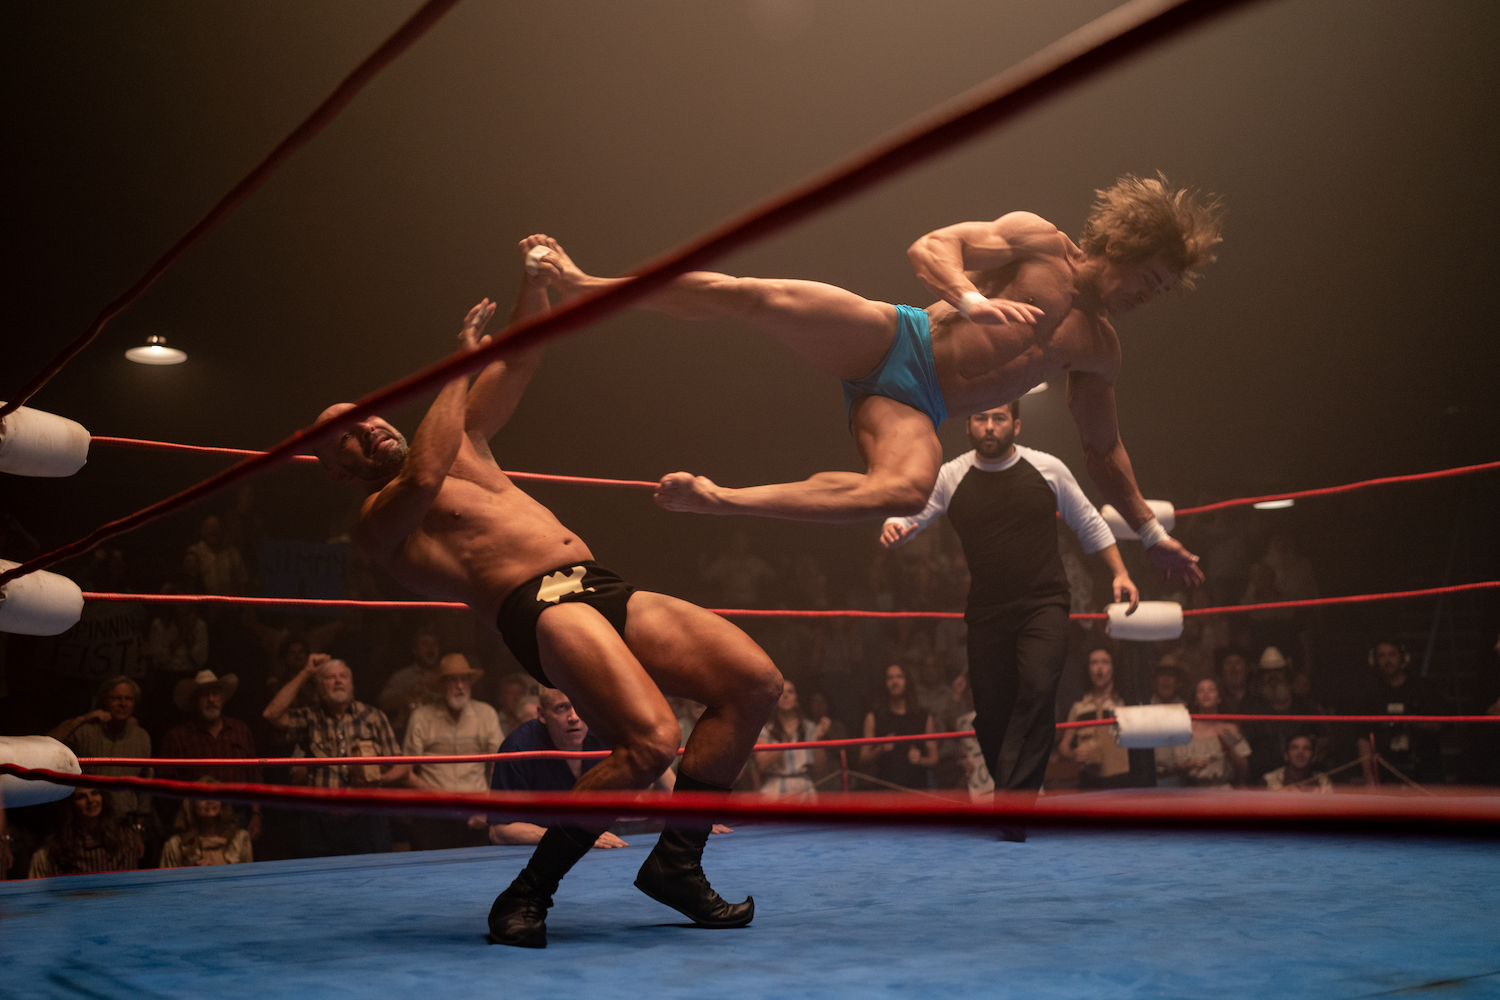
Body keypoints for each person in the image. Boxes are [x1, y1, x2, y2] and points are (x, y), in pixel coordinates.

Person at [312, 238, 782, 948]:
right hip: (539, 610)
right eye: (346, 437)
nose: (366, 427)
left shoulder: (462, 433)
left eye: (368, 413)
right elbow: (423, 475)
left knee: (754, 683)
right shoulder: (380, 520)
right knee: (650, 742)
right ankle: (526, 894)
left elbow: (525, 354)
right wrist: (459, 363)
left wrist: (534, 280)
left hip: (600, 584)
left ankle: (678, 864)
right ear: (341, 473)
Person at [527, 175, 1218, 589]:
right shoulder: (1039, 241)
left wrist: (1151, 536)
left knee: (904, 491)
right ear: (1120, 247)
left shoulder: (1101, 350)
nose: (1148, 296)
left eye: (1161, 291)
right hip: (900, 335)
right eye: (1149, 279)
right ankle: (587, 284)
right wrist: (971, 299)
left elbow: (1104, 451)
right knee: (756, 296)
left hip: (916, 404)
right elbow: (931, 247)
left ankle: (721, 500)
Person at [879, 401, 1139, 834]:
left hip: (1045, 603)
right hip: (987, 611)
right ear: (969, 425)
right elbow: (913, 512)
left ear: (1015, 424)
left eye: (999, 418)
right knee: (991, 713)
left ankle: (1011, 808)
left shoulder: (1047, 468)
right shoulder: (951, 475)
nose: (989, 426)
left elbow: (1089, 521)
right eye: (980, 418)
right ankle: (1015, 796)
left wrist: (1121, 572)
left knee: (1037, 689)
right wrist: (895, 524)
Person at [263, 654, 410, 856]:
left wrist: (377, 780)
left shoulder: (373, 717)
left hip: (366, 817)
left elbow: (402, 766)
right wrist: (306, 673)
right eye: (330, 677)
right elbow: (272, 714)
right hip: (321, 819)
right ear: (320, 686)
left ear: (351, 683)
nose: (338, 681)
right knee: (321, 883)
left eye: (343, 676)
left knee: (374, 881)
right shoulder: (311, 717)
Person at [487, 686, 663, 849]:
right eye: (561, 708)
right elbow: (500, 830)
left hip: (604, 851)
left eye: (580, 706)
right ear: (542, 714)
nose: (574, 717)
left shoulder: (605, 733)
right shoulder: (519, 747)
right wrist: (570, 836)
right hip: (537, 857)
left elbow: (656, 753)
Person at [404, 653, 504, 851]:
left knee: (481, 873)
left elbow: (499, 766)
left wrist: (488, 803)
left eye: (464, 679)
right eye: (453, 680)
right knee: (429, 874)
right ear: (441, 685)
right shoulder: (422, 718)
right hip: (434, 814)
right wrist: (441, 798)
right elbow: (406, 773)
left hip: (477, 812)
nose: (460, 686)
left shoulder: (486, 714)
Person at [158, 669, 262, 838]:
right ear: (194, 701)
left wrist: (256, 815)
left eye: (216, 693)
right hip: (196, 822)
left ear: (223, 698)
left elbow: (254, 775)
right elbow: (165, 786)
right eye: (204, 695)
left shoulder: (240, 730)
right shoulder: (178, 737)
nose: (211, 699)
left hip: (238, 817)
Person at [46, 676, 154, 829]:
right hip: (85, 823)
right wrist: (82, 719)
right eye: (116, 698)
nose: (123, 704)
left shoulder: (141, 737)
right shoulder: (86, 731)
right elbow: (46, 744)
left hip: (124, 823)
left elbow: (146, 781)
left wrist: (138, 825)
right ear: (105, 701)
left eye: (128, 699)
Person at [27, 787, 143, 878]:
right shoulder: (59, 845)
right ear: (71, 804)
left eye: (95, 793)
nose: (91, 800)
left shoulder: (125, 838)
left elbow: (128, 886)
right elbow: (60, 892)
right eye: (82, 796)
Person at [1058, 646, 1131, 790]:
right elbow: (1063, 746)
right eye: (1094, 662)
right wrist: (1074, 755)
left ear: (1113, 668)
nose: (1099, 668)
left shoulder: (1124, 704)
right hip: (1089, 780)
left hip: (1121, 779)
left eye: (1105, 662)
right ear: (1088, 669)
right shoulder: (1079, 708)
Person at [1156, 678, 1250, 788]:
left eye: (1211, 690)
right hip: (1191, 793)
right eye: (1201, 691)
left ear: (1219, 698)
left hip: (1222, 792)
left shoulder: (1229, 728)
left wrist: (1229, 745)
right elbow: (1170, 765)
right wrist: (1191, 764)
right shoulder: (1185, 729)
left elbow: (1244, 768)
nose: (1206, 693)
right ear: (1196, 699)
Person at [860, 664, 937, 790]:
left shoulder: (923, 716)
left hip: (917, 792)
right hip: (885, 793)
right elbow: (863, 759)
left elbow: (934, 759)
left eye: (899, 677)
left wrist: (920, 760)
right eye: (890, 678)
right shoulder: (873, 717)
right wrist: (880, 748)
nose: (895, 681)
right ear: (885, 683)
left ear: (907, 681)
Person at [753, 679, 827, 800]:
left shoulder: (809, 727)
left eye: (790, 692)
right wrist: (784, 741)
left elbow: (821, 769)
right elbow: (761, 766)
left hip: (804, 790)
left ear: (796, 697)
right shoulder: (765, 729)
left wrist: (819, 739)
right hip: (775, 790)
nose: (785, 696)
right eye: (781, 692)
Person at [158, 782, 254, 867]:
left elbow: (249, 879)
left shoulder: (240, 839)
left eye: (215, 795)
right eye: (203, 796)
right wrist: (192, 873)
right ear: (191, 805)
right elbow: (166, 882)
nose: (210, 801)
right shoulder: (175, 845)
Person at [1263, 733, 1332, 792]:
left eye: (1306, 748)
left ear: (1313, 757)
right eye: (1294, 748)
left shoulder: (1322, 780)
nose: (1300, 752)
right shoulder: (1270, 780)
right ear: (1286, 756)